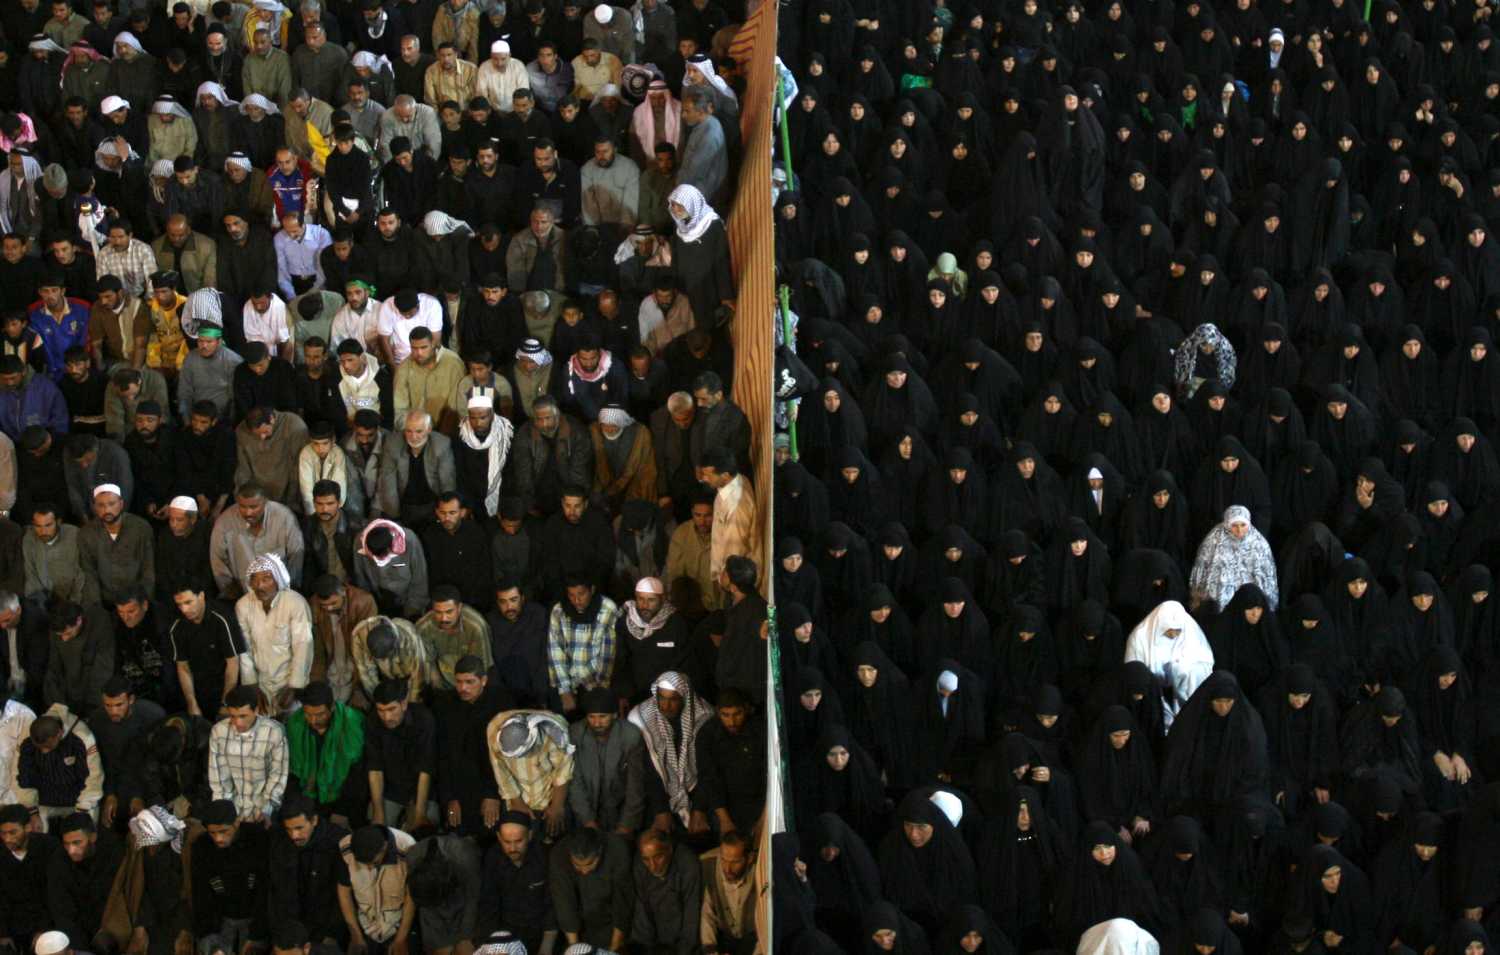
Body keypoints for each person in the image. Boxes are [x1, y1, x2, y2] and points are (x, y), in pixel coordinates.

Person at [208, 685, 289, 823]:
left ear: (256, 710)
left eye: (243, 716)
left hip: (264, 811)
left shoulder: (274, 732)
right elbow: (219, 779)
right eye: (233, 716)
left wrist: (266, 810)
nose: (238, 723)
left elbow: (277, 776)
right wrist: (226, 813)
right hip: (233, 812)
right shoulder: (218, 732)